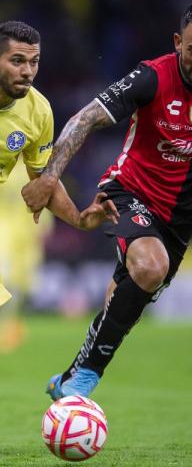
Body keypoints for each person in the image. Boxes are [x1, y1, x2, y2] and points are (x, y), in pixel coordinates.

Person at [22, 0, 192, 400]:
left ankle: (69, 378)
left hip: (183, 219)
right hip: (128, 192)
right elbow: (83, 119)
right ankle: (86, 379)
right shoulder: (151, 77)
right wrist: (49, 178)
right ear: (178, 42)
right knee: (151, 266)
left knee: (123, 303)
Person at [0, 21, 119, 308]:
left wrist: (78, 218)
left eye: (34, 61)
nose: (27, 71)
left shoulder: (38, 111)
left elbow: (43, 179)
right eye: (17, 61)